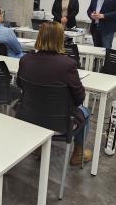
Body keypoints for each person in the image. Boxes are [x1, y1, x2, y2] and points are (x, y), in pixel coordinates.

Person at [17, 21, 92, 166]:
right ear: (60, 39)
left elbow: (21, 86)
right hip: (59, 124)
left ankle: (38, 147)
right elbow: (79, 98)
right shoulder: (67, 64)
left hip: (28, 117)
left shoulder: (25, 60)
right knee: (86, 111)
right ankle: (78, 154)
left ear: (39, 37)